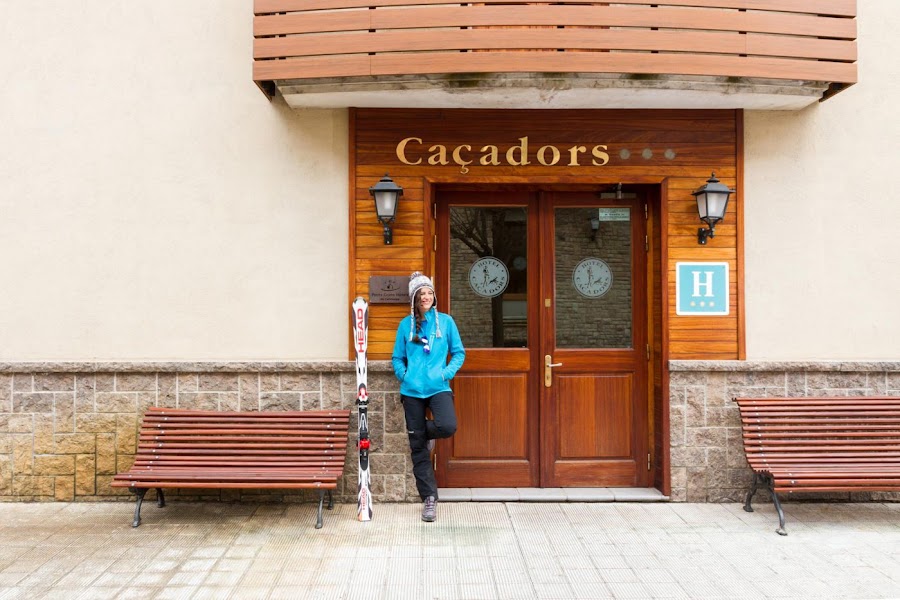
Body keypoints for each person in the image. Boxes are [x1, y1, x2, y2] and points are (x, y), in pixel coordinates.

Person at [392, 271, 465, 522]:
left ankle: (420, 432)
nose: (426, 297)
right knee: (418, 449)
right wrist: (405, 375)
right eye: (421, 293)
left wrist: (445, 373)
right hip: (411, 391)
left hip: (438, 387)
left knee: (447, 425)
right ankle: (429, 499)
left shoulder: (445, 322)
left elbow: (459, 353)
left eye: (429, 293)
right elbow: (396, 357)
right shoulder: (405, 325)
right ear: (414, 298)